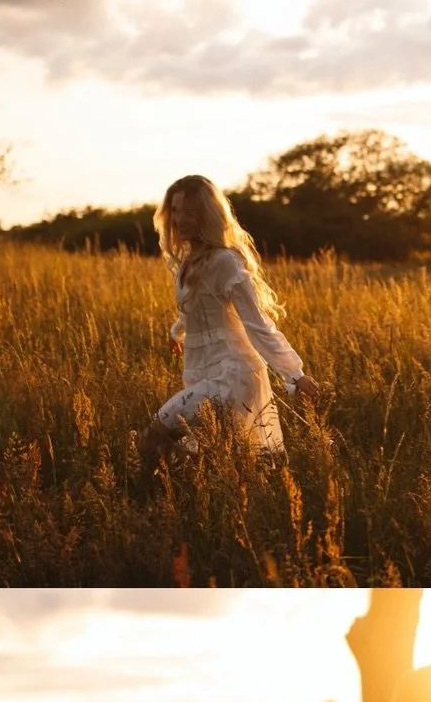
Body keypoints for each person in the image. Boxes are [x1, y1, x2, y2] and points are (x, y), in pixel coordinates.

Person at [137, 175, 320, 484]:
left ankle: (148, 496)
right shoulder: (187, 262)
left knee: (153, 437)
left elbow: (258, 324)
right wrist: (177, 333)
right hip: (204, 370)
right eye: (176, 210)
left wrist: (295, 374)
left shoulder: (226, 261)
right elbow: (192, 308)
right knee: (222, 466)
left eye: (189, 211)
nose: (180, 219)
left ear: (207, 214)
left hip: (232, 374)